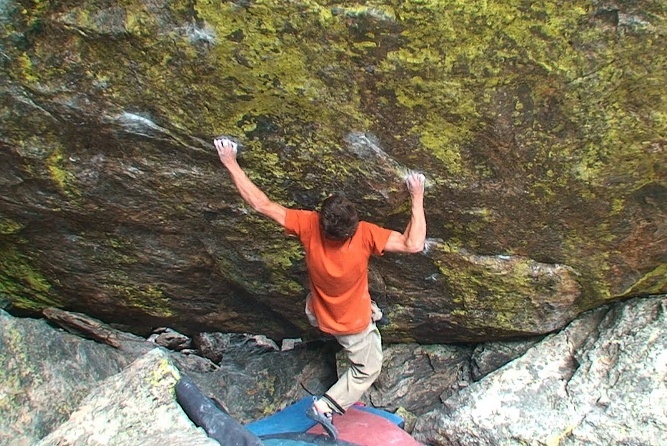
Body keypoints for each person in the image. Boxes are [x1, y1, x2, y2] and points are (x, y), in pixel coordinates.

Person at [214, 137, 426, 439]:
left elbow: (260, 204)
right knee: (368, 367)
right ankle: (327, 405)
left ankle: (362, 316)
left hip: (318, 310)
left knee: (354, 310)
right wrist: (416, 194)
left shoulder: (307, 224)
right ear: (353, 226)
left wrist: (229, 161)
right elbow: (413, 243)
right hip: (350, 323)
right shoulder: (364, 234)